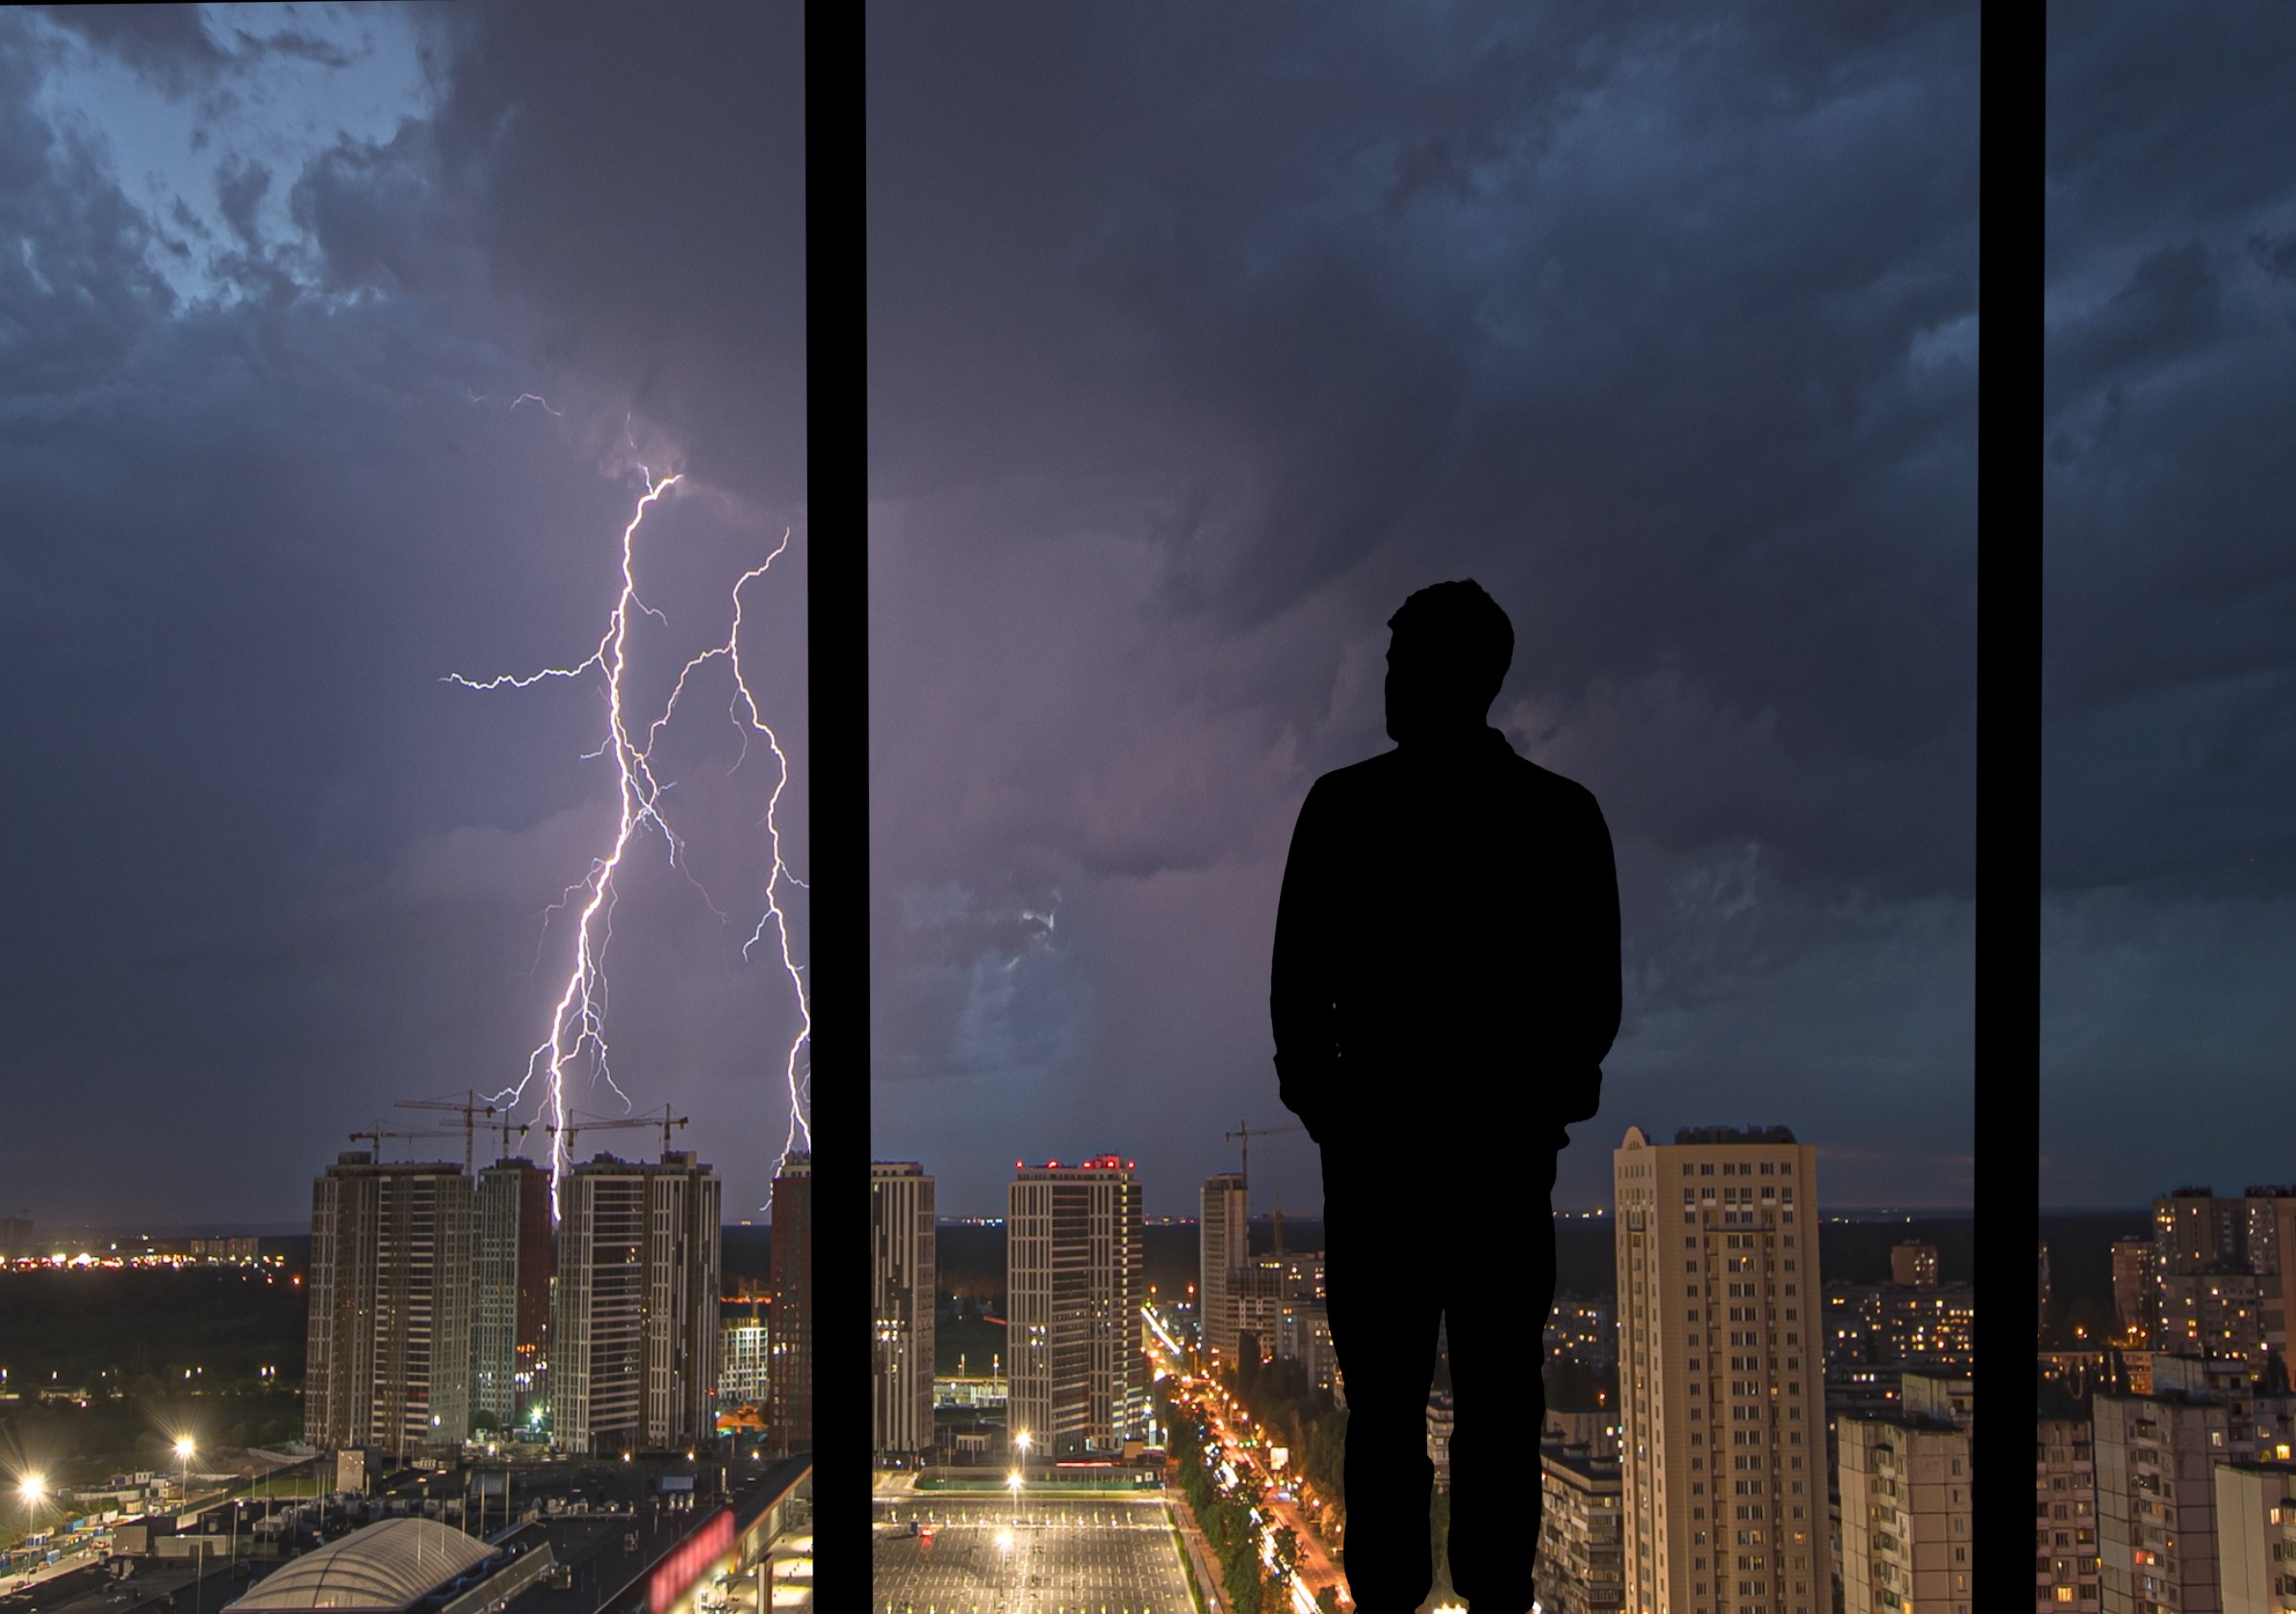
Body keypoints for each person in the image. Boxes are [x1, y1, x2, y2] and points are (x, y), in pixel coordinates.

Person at [1270, 579, 1620, 1614]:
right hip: (1469, 1167)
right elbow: (1298, 1000)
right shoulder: (1555, 818)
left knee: (1452, 1412)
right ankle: (1452, 1594)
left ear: (1453, 674)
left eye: (1400, 663)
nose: (1385, 682)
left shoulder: (1358, 811)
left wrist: (1347, 1115)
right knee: (1455, 1410)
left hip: (1432, 1169)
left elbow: (1587, 1004)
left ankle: (1460, 1595)